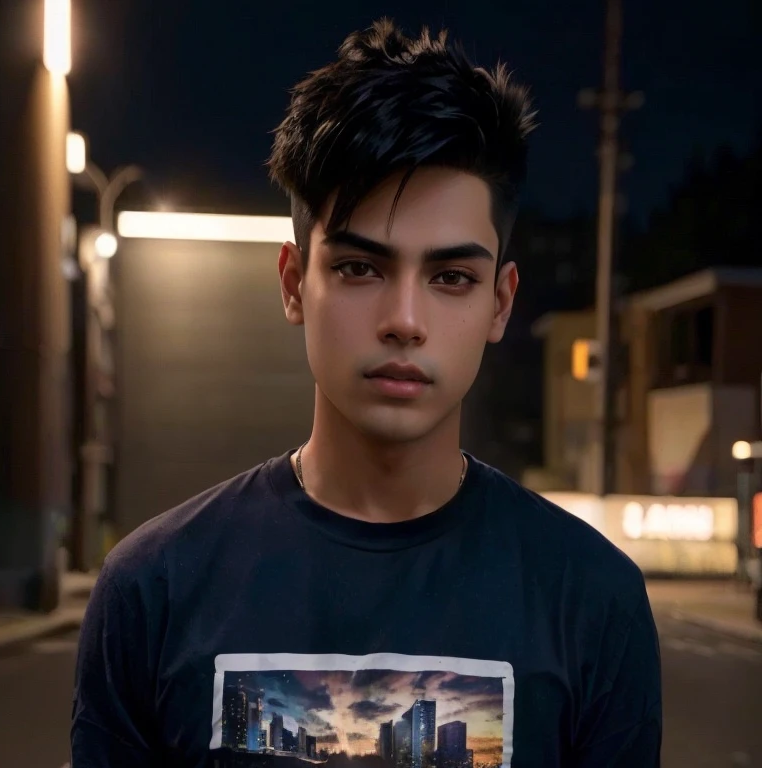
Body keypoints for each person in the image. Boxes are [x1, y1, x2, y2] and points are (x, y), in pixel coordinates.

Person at [71, 19, 661, 768]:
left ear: (501, 303)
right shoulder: (151, 590)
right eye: (360, 268)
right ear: (294, 283)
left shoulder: (593, 601)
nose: (404, 321)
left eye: (451, 278)